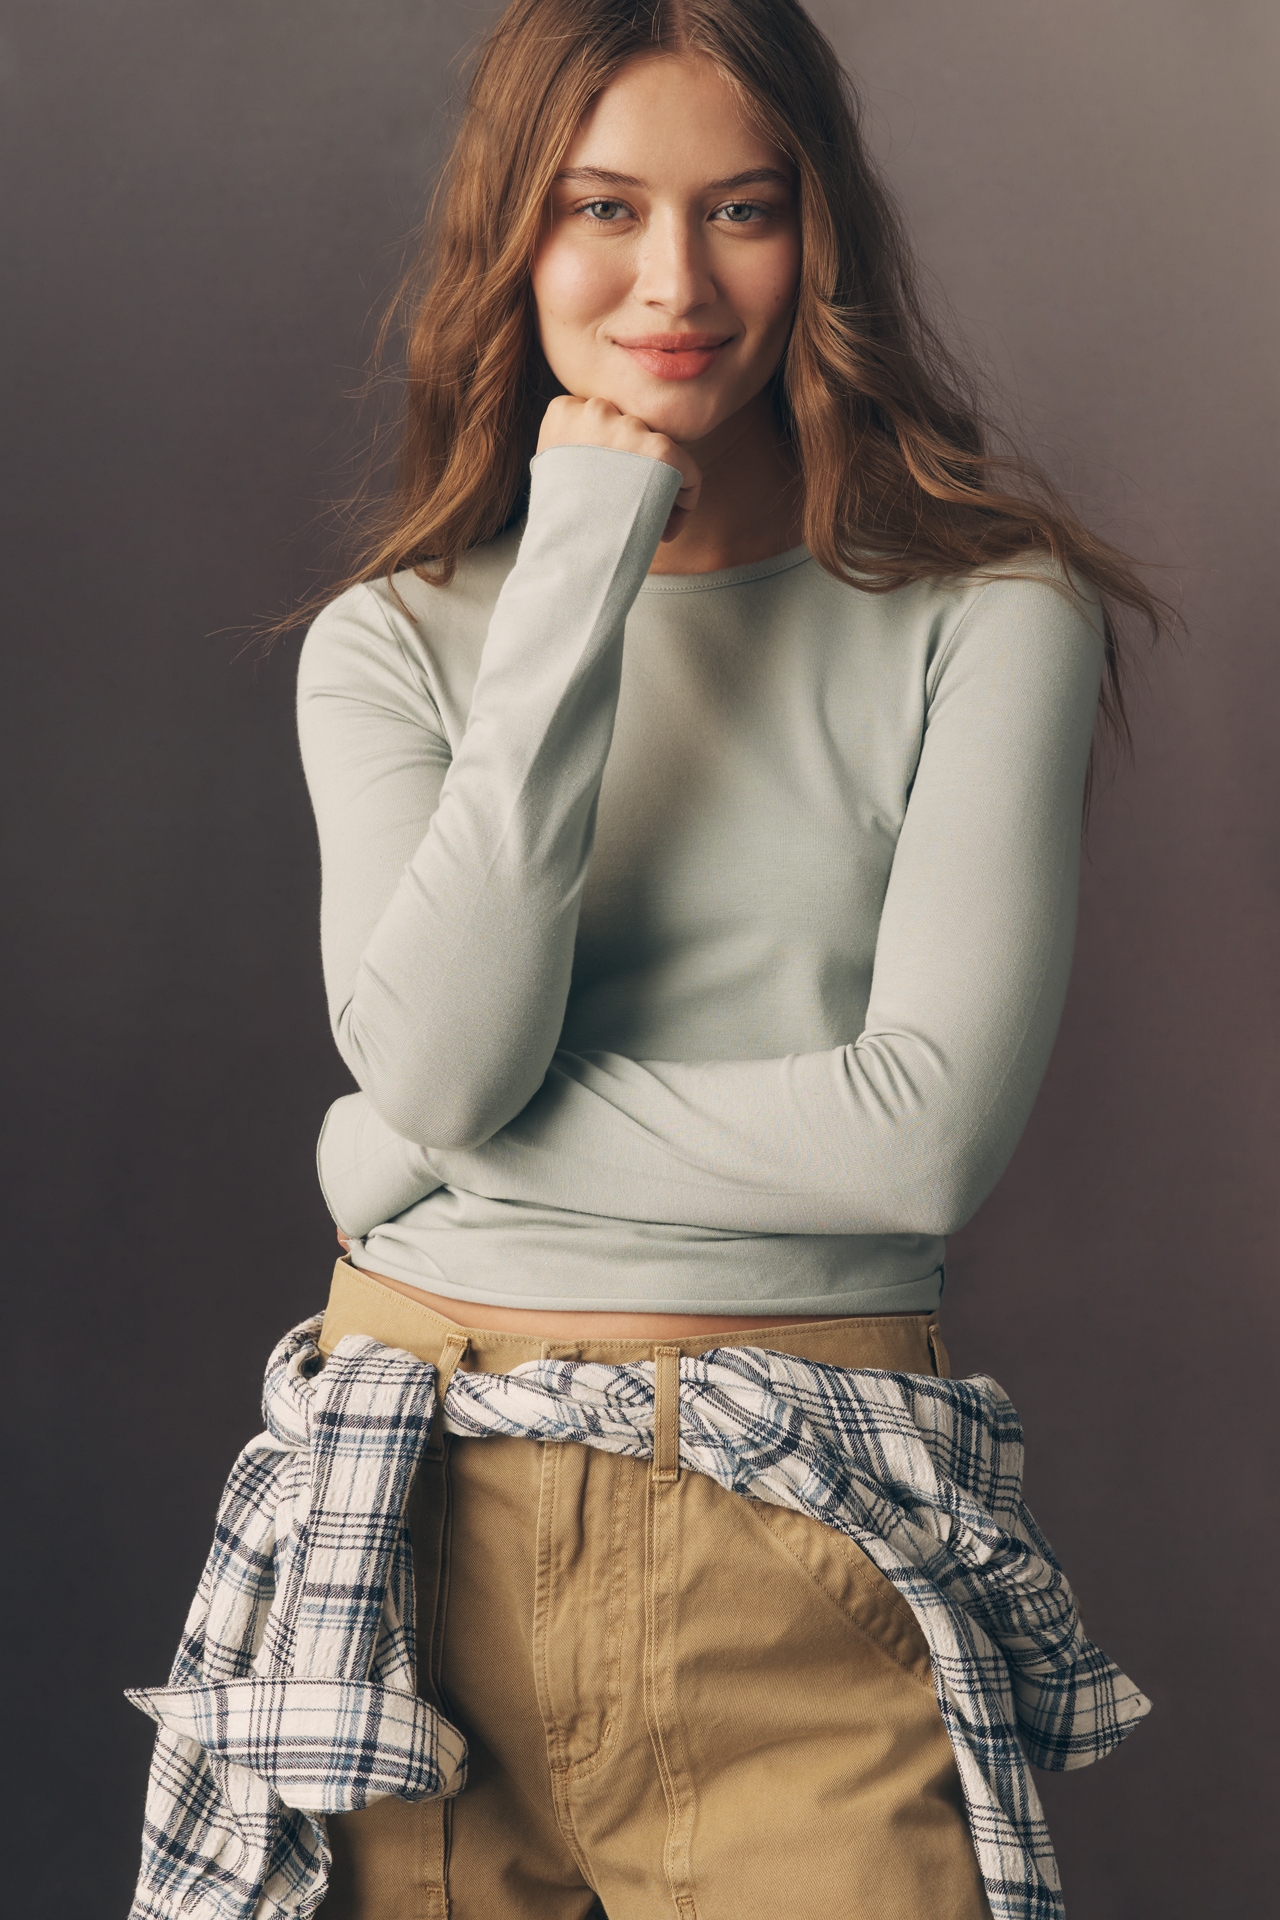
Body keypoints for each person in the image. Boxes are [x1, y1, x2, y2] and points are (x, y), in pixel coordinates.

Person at [136, 3, 1164, 1916]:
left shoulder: (989, 614)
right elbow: (448, 1060)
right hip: (412, 1527)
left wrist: (409, 1147)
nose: (675, 282)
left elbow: (918, 1142)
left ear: (821, 236)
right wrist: (580, 560)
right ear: (513, 237)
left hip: (801, 1536)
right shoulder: (389, 645)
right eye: (603, 207)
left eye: (742, 209)